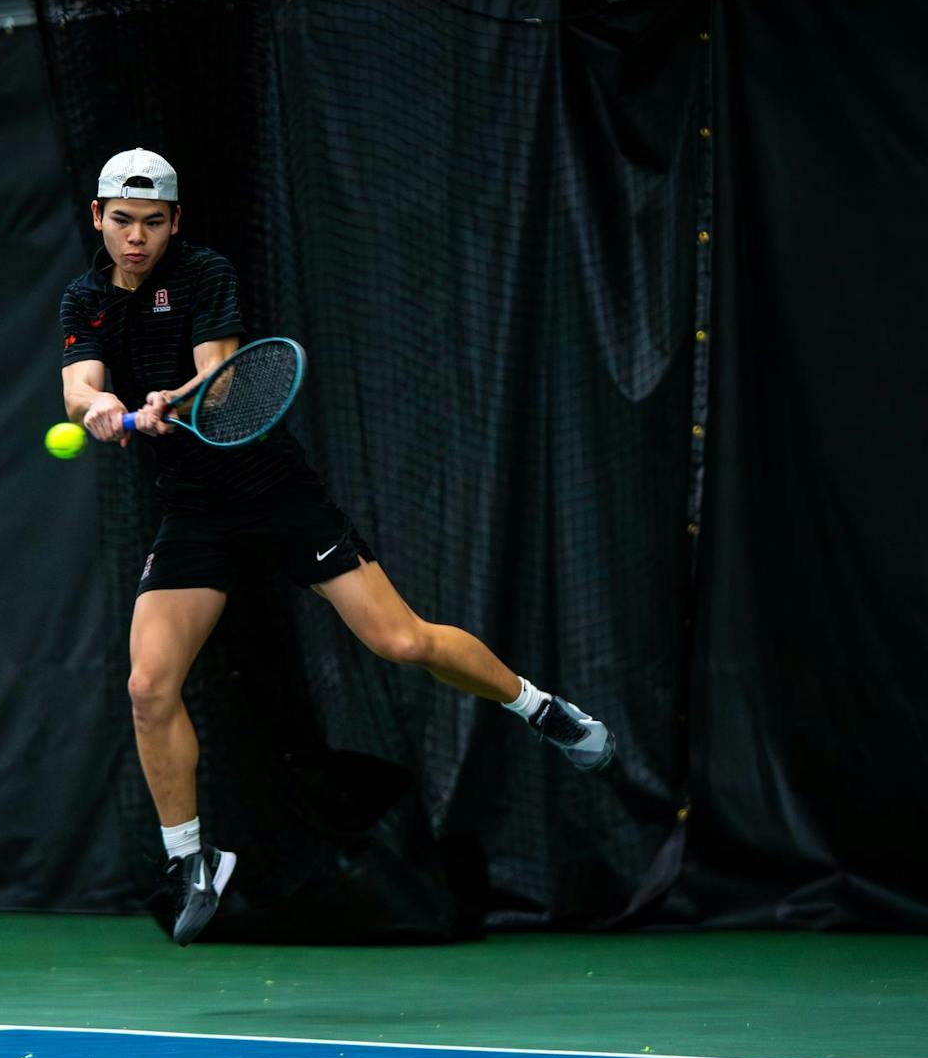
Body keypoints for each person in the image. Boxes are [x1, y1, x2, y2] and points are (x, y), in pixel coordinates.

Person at [59, 148, 614, 947]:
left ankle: (541, 708)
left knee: (401, 639)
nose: (136, 238)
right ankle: (192, 858)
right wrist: (101, 405)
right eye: (122, 222)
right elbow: (77, 386)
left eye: (152, 223)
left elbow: (220, 383)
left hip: (274, 495)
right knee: (149, 685)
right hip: (193, 512)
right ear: (98, 219)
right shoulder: (86, 296)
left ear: (175, 220)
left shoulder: (205, 272)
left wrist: (168, 399)